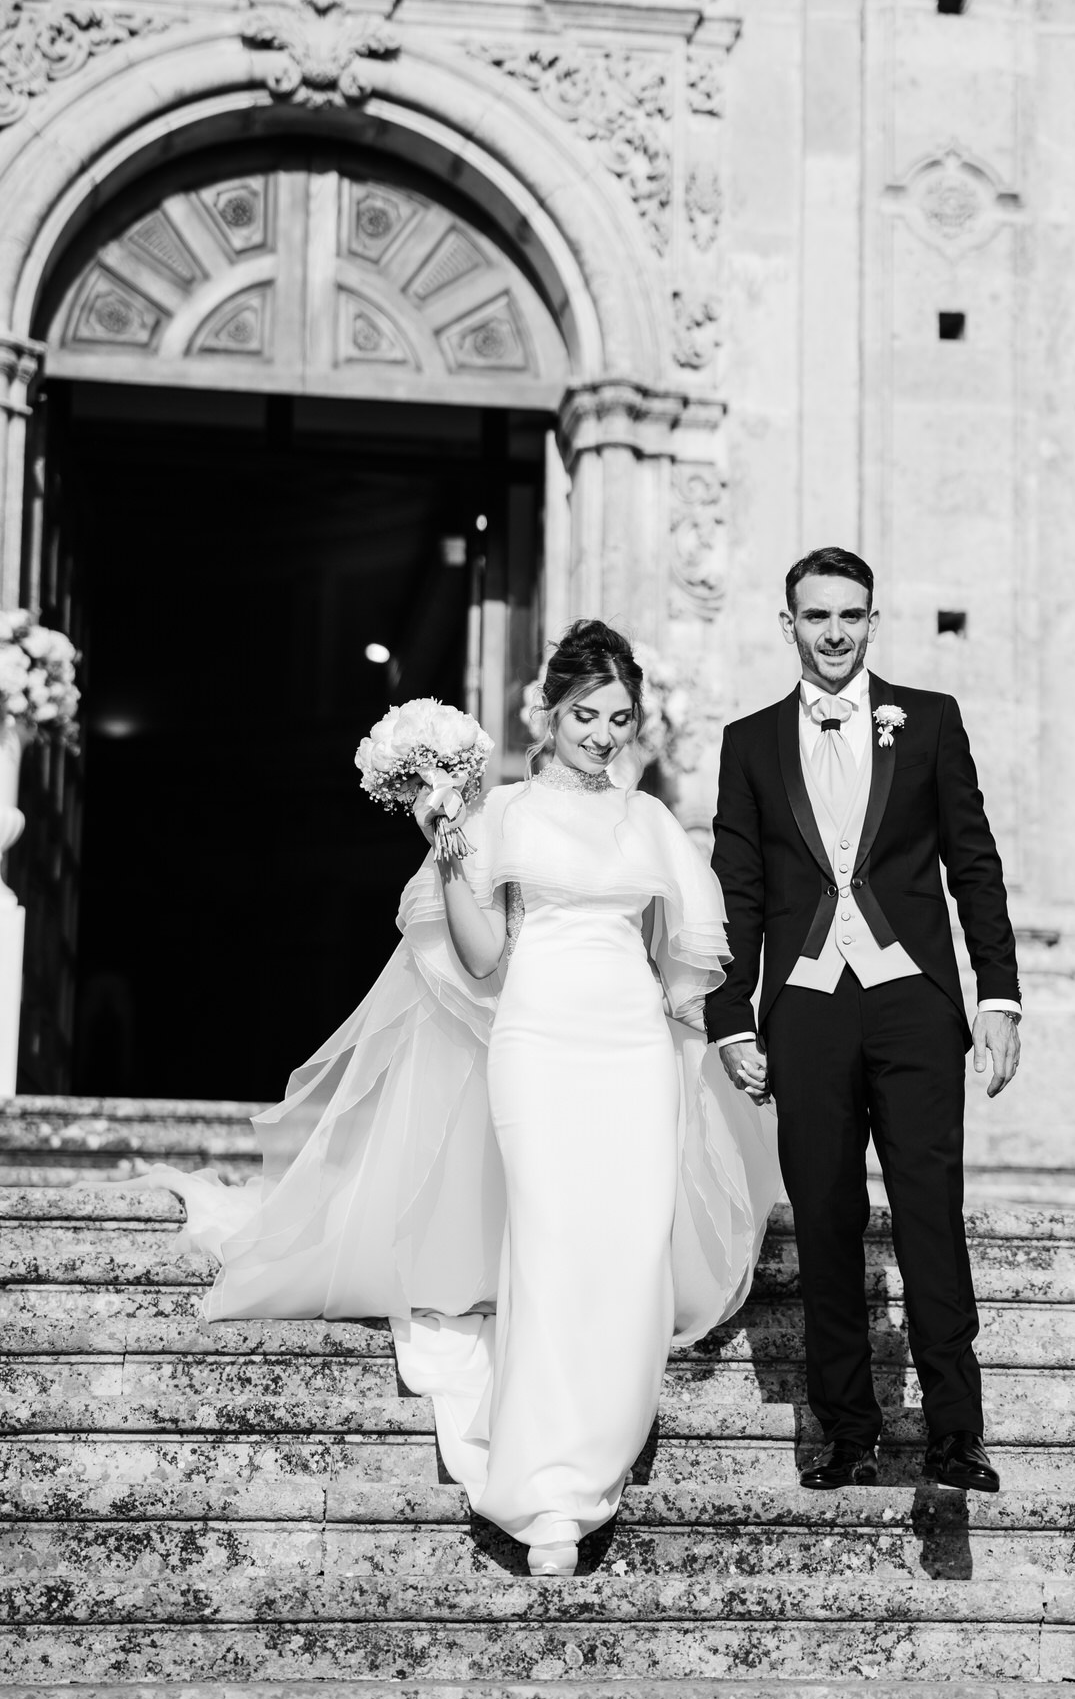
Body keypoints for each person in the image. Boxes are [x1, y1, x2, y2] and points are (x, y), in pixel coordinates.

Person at [150, 621, 779, 1579]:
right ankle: (548, 1492)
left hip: (632, 1052)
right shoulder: (501, 815)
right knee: (553, 1242)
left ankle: (596, 1453)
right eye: (585, 715)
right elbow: (482, 958)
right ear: (548, 713)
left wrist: (710, 1040)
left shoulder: (650, 822)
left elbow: (683, 967)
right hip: (537, 1044)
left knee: (628, 1249)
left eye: (619, 718)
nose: (603, 735)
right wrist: (444, 847)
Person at [706, 548, 1020, 1494]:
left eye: (850, 615)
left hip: (913, 1004)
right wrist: (731, 1018)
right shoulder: (749, 742)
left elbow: (973, 864)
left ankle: (956, 1433)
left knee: (929, 1212)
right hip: (805, 1008)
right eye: (817, 615)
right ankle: (846, 1431)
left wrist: (997, 996)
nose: (835, 632)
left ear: (872, 622)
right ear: (789, 624)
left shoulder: (930, 720)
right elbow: (737, 889)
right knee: (825, 1219)